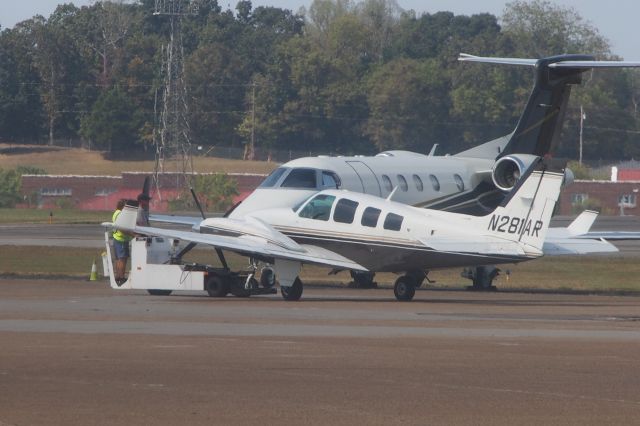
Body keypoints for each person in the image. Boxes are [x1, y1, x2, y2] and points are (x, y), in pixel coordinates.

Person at [112, 199, 133, 286]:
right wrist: (133, 235)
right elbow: (122, 228)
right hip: (121, 239)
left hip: (117, 238)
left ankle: (118, 277)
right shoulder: (120, 214)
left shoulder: (116, 212)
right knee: (122, 259)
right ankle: (121, 277)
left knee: (118, 259)